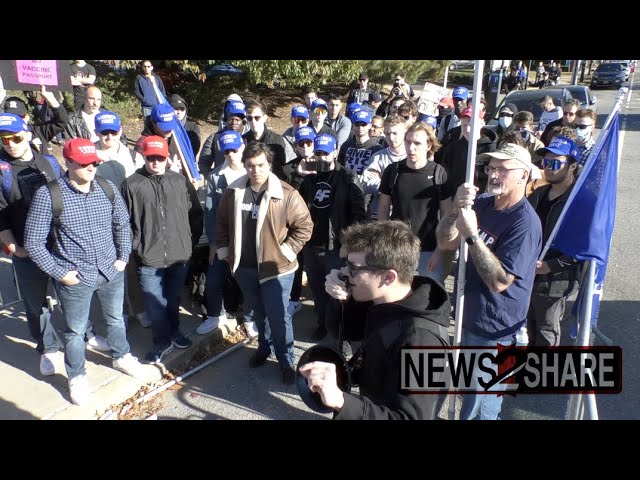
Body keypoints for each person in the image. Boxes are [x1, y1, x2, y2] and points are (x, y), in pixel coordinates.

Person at [24, 138, 146, 406]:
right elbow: (33, 242)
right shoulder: (49, 195)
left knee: (115, 319)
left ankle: (121, 355)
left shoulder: (107, 187)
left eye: (94, 162)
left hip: (110, 270)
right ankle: (77, 377)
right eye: (84, 163)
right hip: (74, 277)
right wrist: (59, 273)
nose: (91, 167)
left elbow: (122, 225)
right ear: (68, 163)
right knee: (75, 332)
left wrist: (123, 257)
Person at [298, 220, 451, 420]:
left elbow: (411, 417)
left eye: (353, 268)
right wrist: (342, 300)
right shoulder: (380, 300)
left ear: (388, 277)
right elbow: (345, 331)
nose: (344, 273)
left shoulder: (425, 342)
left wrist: (341, 402)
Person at [435, 143, 542, 420]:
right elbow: (444, 241)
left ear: (523, 175)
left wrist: (472, 236)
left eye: (503, 169)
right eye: (491, 168)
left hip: (498, 329)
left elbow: (500, 280)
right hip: (468, 317)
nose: (494, 174)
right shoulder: (481, 204)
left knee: (480, 405)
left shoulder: (525, 223)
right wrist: (455, 209)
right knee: (464, 392)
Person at [216, 141, 312, 385]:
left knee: (279, 317)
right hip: (245, 268)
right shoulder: (234, 191)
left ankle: (286, 360)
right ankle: (264, 347)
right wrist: (226, 252)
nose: (255, 170)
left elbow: (304, 227)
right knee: (259, 313)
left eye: (260, 165)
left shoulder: (286, 193)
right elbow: (222, 223)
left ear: (269, 165)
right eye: (250, 165)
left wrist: (286, 253)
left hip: (275, 270)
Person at [120, 136, 203, 364]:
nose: (155, 162)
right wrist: (135, 245)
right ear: (143, 157)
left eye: (160, 157)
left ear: (167, 157)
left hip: (179, 255)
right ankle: (162, 341)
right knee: (155, 304)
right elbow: (121, 221)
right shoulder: (131, 184)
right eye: (150, 158)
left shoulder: (179, 181)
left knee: (173, 299)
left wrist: (188, 242)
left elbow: (195, 214)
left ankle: (174, 332)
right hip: (149, 257)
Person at [298, 133, 366, 341]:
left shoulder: (348, 177)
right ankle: (323, 323)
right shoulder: (309, 178)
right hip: (312, 244)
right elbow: (297, 206)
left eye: (326, 154)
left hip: (336, 246)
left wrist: (349, 243)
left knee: (339, 291)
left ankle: (342, 329)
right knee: (317, 289)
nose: (321, 157)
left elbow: (359, 215)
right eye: (318, 153)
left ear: (335, 153)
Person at [378, 122, 452, 283]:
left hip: (429, 248)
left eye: (417, 143)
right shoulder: (393, 171)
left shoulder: (439, 173)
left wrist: (439, 252)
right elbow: (383, 210)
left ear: (428, 146)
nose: (411, 148)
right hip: (398, 247)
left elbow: (447, 216)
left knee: (428, 297)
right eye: (408, 142)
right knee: (397, 298)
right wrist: (384, 245)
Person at [196, 131, 253, 336]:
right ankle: (215, 315)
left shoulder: (252, 174)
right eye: (226, 151)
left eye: (235, 150)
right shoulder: (215, 177)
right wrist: (213, 243)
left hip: (247, 239)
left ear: (243, 147)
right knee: (213, 280)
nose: (231, 155)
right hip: (223, 238)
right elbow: (210, 212)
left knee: (248, 281)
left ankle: (249, 319)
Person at [527, 136, 582, 346]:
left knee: (546, 331)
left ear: (572, 166)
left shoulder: (579, 202)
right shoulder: (540, 193)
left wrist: (550, 266)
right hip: (530, 273)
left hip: (557, 281)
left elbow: (583, 248)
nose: (548, 168)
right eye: (545, 162)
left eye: (555, 163)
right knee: (528, 328)